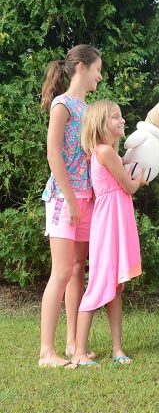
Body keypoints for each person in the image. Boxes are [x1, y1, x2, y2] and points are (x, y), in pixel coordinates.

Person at [39, 44, 102, 368]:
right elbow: (54, 155)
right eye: (97, 70)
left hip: (86, 197)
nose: (99, 77)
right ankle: (46, 352)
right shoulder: (62, 105)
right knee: (62, 272)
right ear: (81, 67)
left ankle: (73, 343)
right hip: (65, 200)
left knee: (78, 271)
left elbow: (85, 154)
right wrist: (71, 199)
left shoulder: (88, 109)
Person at [71, 100, 146, 366]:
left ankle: (117, 349)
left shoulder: (104, 153)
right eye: (116, 117)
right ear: (101, 124)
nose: (122, 120)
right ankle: (79, 352)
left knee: (115, 286)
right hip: (109, 223)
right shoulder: (104, 152)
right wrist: (140, 179)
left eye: (121, 116)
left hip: (114, 220)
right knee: (100, 285)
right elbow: (128, 186)